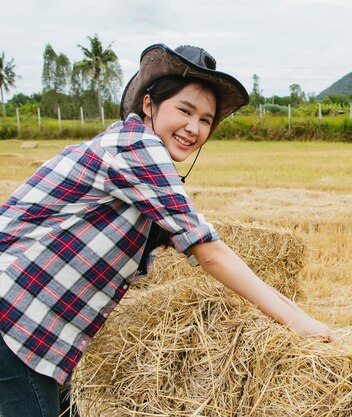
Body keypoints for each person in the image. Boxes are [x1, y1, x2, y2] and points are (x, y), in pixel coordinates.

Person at [0, 43, 335, 417]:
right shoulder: (137, 148)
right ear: (149, 105)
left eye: (206, 120)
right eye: (185, 111)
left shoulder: (132, 150)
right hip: (16, 324)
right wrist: (300, 323)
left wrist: (292, 313)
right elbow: (209, 251)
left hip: (37, 336)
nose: (194, 128)